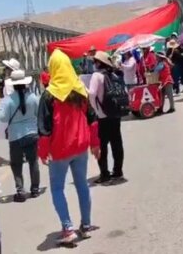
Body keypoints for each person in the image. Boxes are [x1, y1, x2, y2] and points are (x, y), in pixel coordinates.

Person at [37, 49, 101, 245]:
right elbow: (92, 119)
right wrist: (95, 144)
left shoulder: (49, 95)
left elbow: (44, 128)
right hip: (81, 147)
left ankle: (68, 229)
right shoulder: (80, 90)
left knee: (57, 188)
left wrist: (42, 151)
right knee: (82, 185)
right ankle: (87, 225)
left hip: (60, 150)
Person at [0, 69, 41, 202]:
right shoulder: (33, 97)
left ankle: (20, 190)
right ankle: (35, 189)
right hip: (32, 133)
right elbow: (38, 113)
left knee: (16, 164)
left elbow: (3, 118)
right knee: (33, 162)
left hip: (15, 136)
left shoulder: (7, 100)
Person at [89, 51, 125, 183]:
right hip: (116, 113)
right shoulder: (114, 74)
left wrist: (96, 109)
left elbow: (92, 93)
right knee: (117, 143)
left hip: (103, 116)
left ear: (98, 63)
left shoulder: (96, 76)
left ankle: (104, 173)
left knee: (102, 145)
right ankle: (118, 171)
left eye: (95, 62)